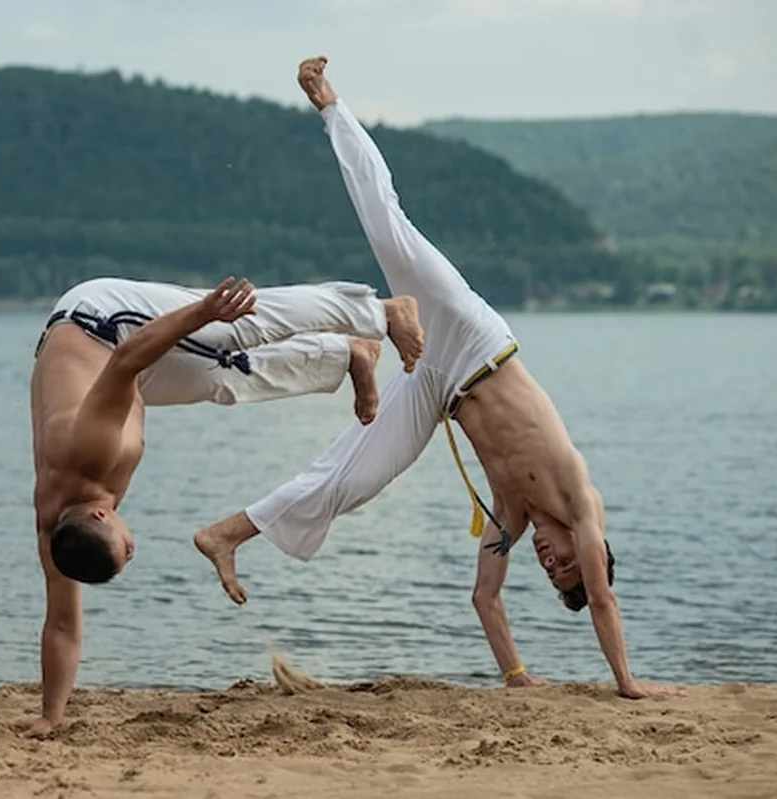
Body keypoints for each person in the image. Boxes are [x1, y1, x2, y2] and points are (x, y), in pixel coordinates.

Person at [193, 57, 682, 701]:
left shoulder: (509, 515)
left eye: (550, 571)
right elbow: (602, 599)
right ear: (585, 550)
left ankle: (227, 533)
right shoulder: (581, 501)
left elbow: (485, 599)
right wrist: (627, 683)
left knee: (356, 476)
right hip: (474, 339)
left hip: (439, 386)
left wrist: (518, 677)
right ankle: (331, 105)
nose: (550, 559)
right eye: (564, 561)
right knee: (389, 226)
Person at [23, 273, 427, 736]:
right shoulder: (56, 533)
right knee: (222, 375)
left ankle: (379, 312)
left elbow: (128, 360)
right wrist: (51, 717)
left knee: (229, 330)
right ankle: (347, 355)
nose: (134, 547)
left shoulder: (90, 449)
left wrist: (203, 311)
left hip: (102, 323)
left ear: (99, 515)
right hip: (103, 366)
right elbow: (61, 625)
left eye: (127, 548)